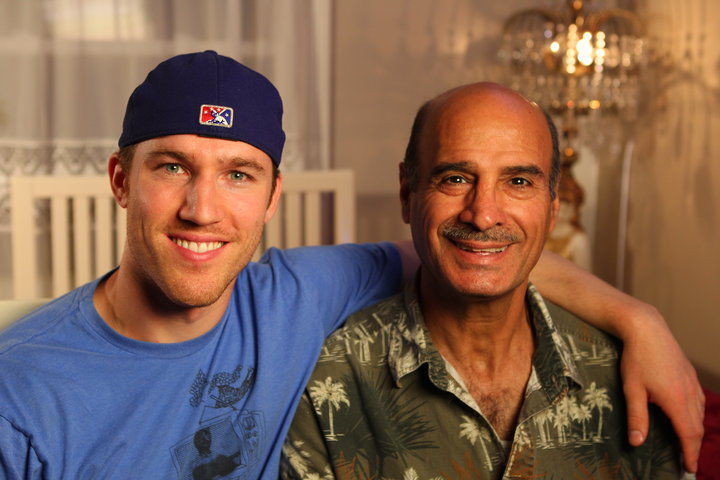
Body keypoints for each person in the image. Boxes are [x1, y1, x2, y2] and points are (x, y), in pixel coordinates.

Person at [0, 52, 701, 479]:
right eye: (172, 167)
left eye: (238, 174)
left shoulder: (296, 297)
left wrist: (639, 319)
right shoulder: (23, 390)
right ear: (121, 179)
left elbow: (472, 247)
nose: (202, 209)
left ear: (273, 197)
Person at [281, 83, 686, 479]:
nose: (484, 214)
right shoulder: (325, 387)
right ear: (407, 193)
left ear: (553, 207)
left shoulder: (628, 372)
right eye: (455, 179)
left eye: (519, 182)